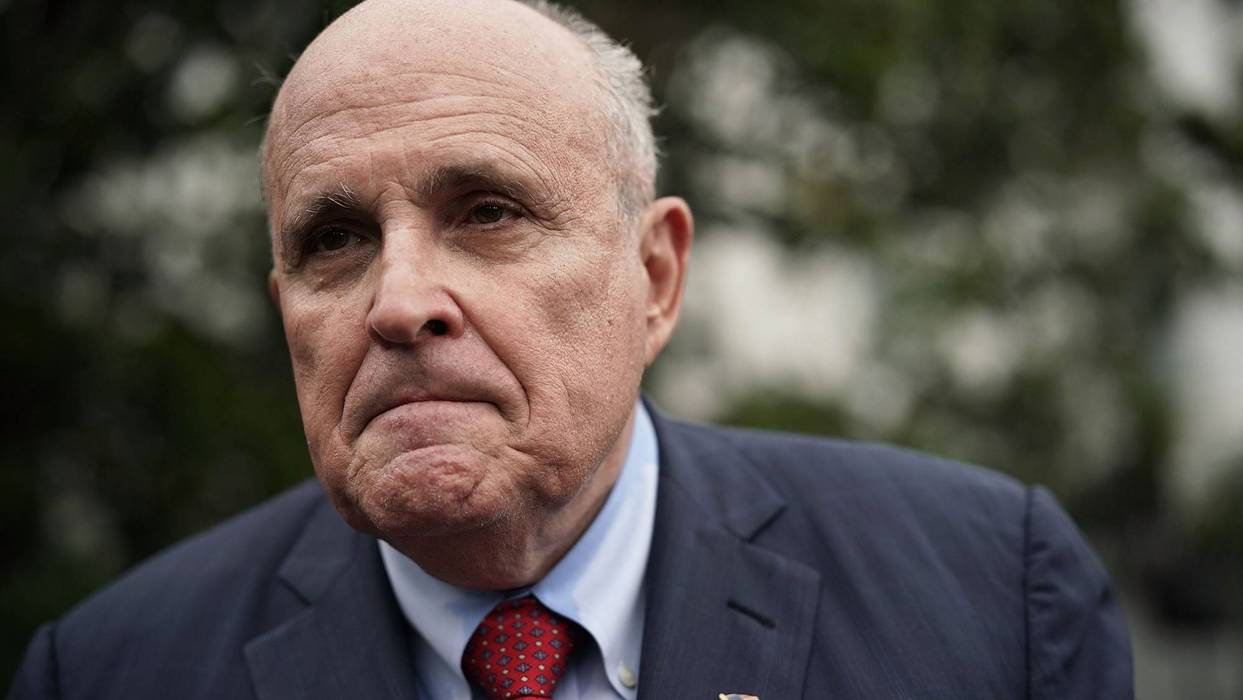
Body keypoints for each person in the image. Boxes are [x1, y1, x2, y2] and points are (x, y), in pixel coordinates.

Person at [8, 0, 1133, 698]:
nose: (400, 302)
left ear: (654, 278)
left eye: (488, 211)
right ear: (283, 303)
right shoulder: (110, 670)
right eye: (336, 239)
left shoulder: (990, 596)